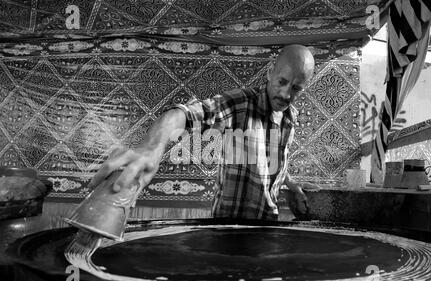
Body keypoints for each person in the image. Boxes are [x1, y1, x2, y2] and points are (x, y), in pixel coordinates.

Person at [88, 44, 320, 221]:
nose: (286, 94)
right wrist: (151, 147)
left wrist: (289, 183)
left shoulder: (291, 117)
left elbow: (273, 161)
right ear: (270, 73)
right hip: (227, 229)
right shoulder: (240, 103)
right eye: (282, 82)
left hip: (268, 226)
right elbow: (184, 115)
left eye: (296, 88)